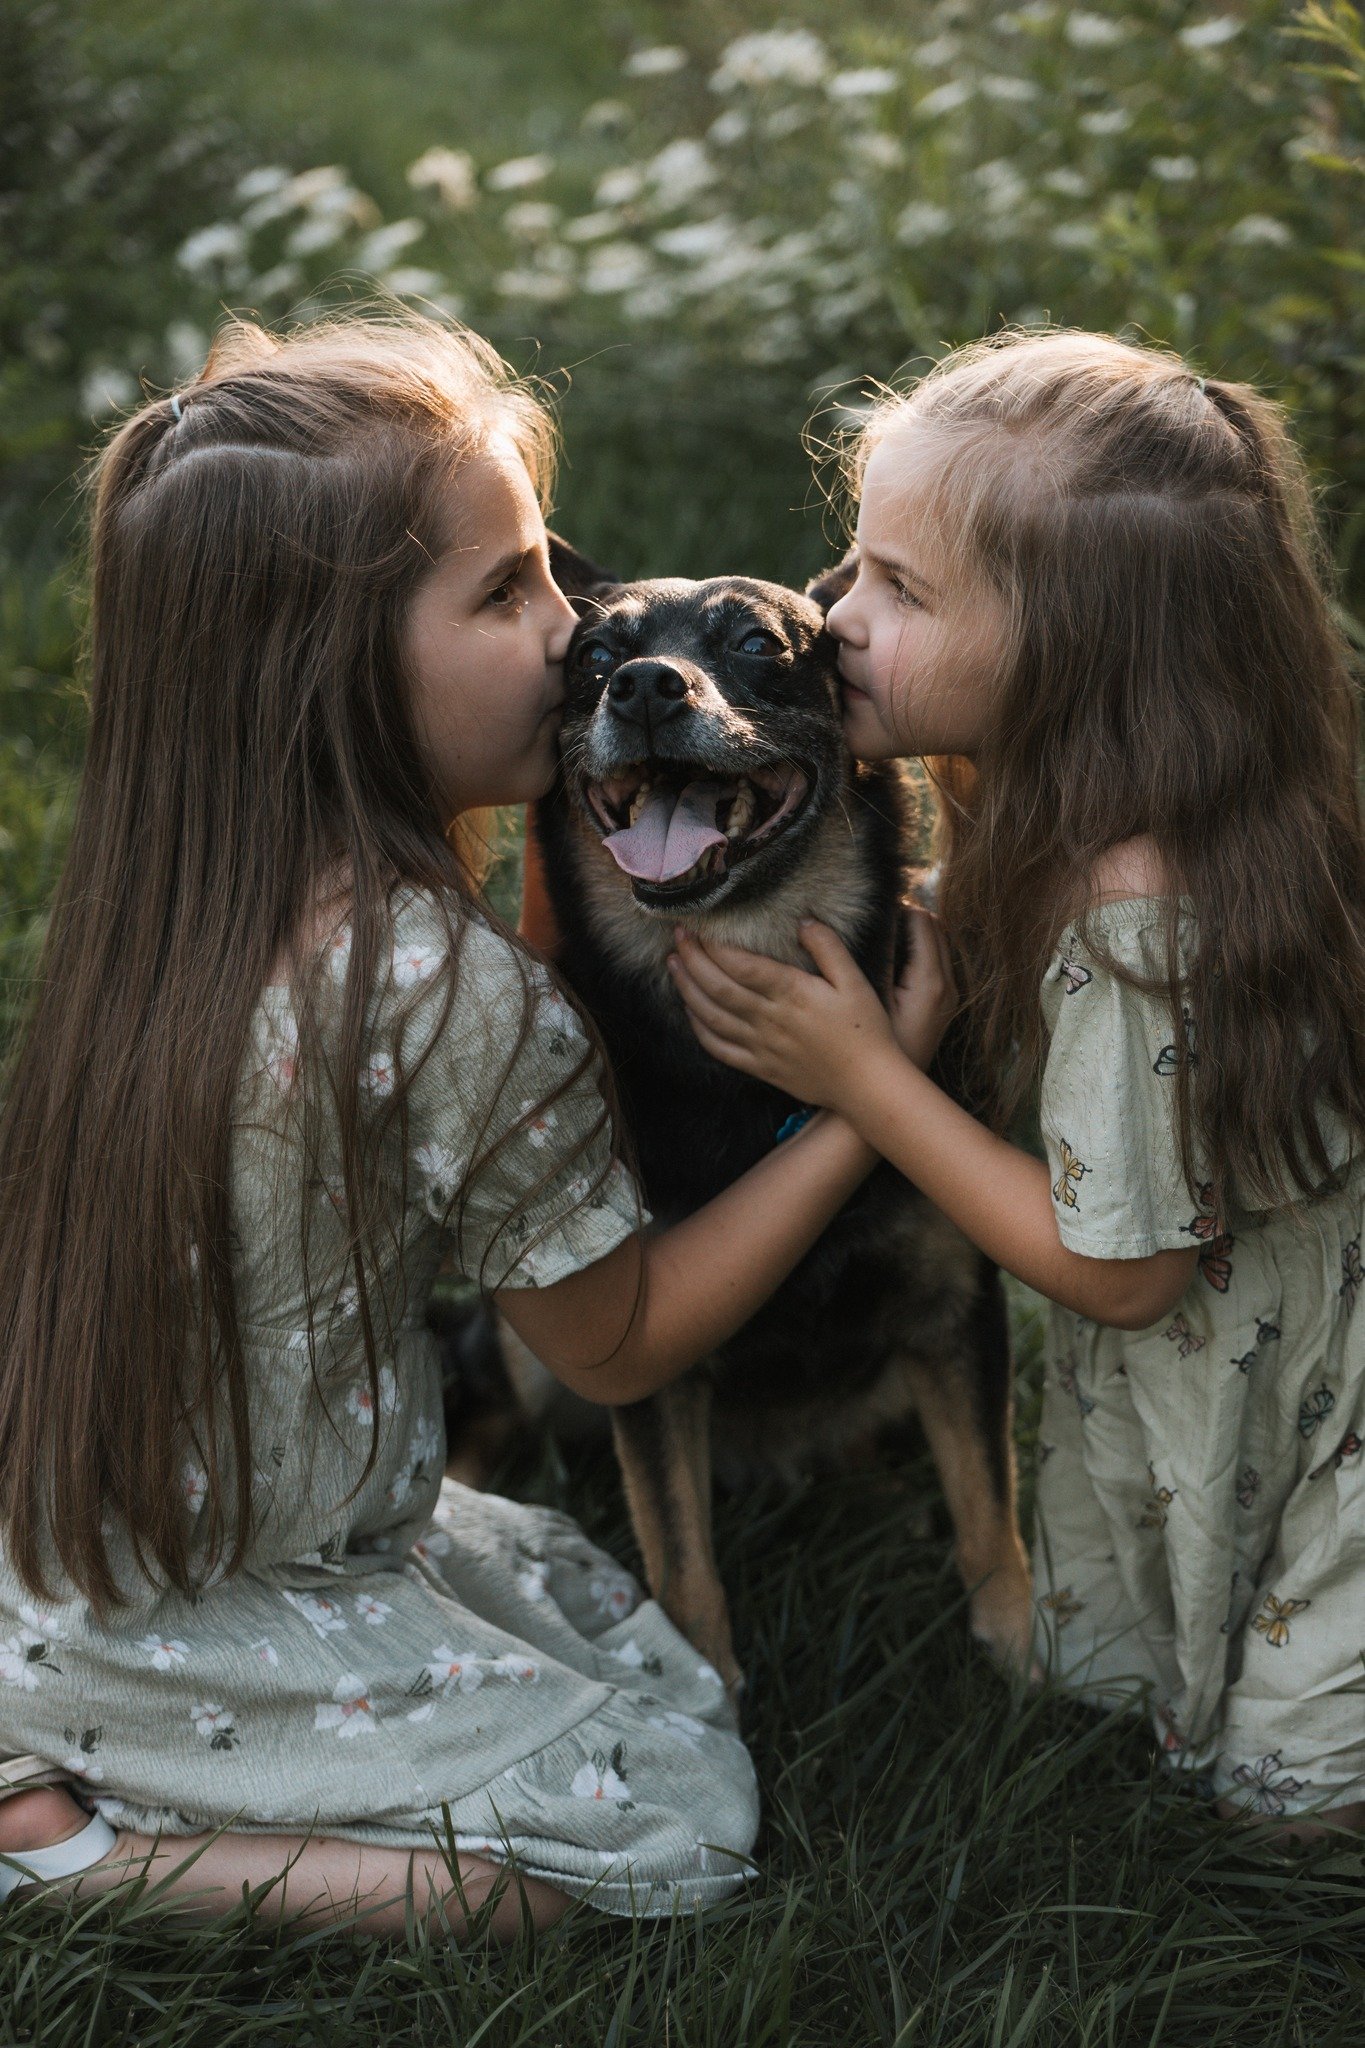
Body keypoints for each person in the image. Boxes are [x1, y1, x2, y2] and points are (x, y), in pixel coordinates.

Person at [0, 311, 883, 1938]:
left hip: (69, 1538)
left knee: (557, 1573)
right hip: (238, 1596)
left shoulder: (158, 905)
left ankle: (43, 1741)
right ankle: (91, 1863)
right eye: (508, 592)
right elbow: (615, 1352)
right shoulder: (448, 996)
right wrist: (856, 1102)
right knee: (670, 1821)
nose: (574, 639)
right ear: (326, 675)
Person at [669, 328, 1365, 1833]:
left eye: (901, 592)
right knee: (1091, 1688)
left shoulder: (1137, 913)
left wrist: (866, 1078)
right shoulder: (1030, 789)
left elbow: (1119, 1279)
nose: (834, 618)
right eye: (851, 565)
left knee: (1284, 1809)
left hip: (1300, 1395)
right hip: (1207, 1365)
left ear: (1077, 660)